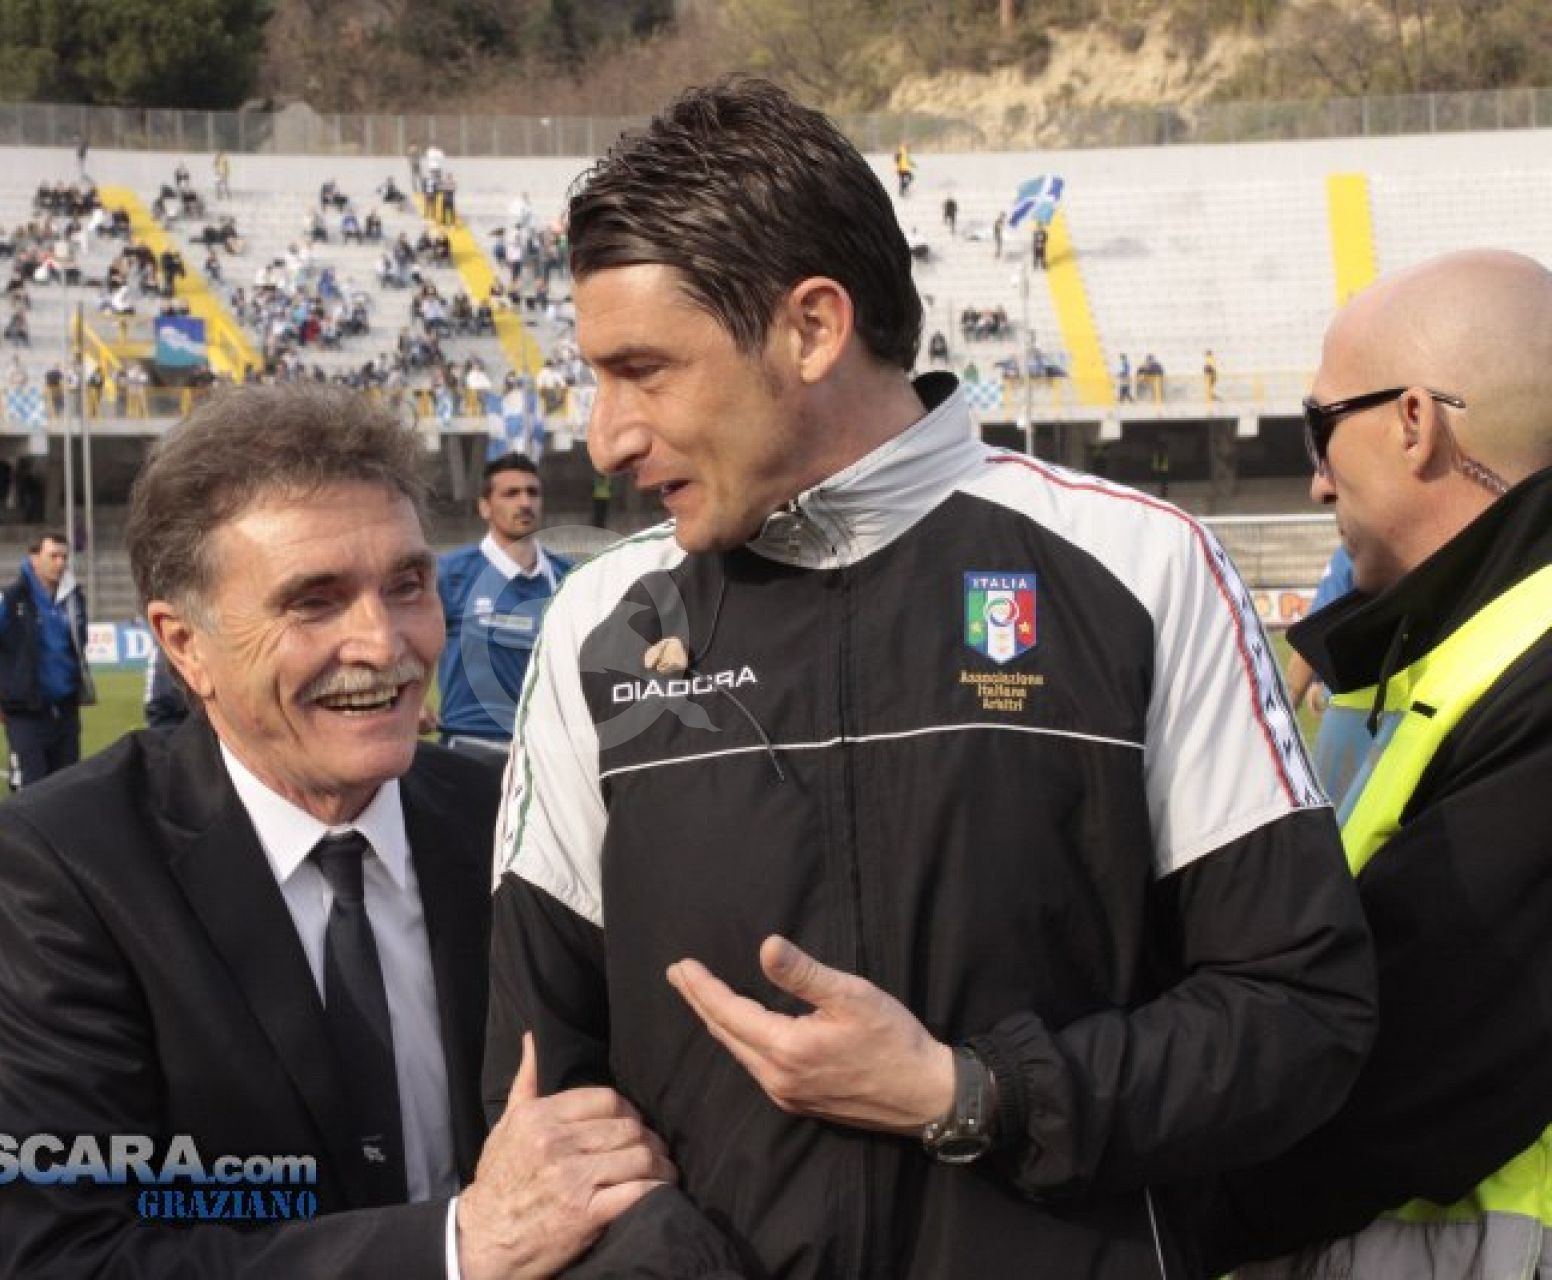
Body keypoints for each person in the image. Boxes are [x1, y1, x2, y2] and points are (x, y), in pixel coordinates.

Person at [484, 77, 1376, 1277]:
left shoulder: (1142, 565)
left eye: (644, 370)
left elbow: (1299, 1014)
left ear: (812, 328)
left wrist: (977, 1094)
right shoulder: (600, 626)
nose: (605, 437)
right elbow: (538, 1104)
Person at [0, 384, 676, 1277]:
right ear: (185, 645)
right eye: (314, 602)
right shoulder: (59, 872)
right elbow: (74, 1257)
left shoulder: (507, 815)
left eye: (407, 585)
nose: (384, 642)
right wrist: (455, 1248)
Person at [1197, 249, 1552, 1279]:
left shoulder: (1531, 675)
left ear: (1413, 423)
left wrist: (1145, 1217)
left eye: (1320, 428)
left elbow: (1395, 1072)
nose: (1315, 479)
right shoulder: (1450, 639)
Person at [432, 454, 570, 760]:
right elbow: (407, 638)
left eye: (532, 493)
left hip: (545, 752)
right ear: (485, 507)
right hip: (470, 744)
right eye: (511, 494)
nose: (525, 503)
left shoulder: (567, 577)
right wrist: (413, 703)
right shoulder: (452, 573)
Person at [0, 532, 92, 790]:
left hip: (66, 711)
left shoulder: (74, 600)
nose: (60, 563)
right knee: (30, 790)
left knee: (67, 789)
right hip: (25, 712)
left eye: (64, 557)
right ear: (34, 558)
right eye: (53, 556)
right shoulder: (8, 600)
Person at [1282, 545, 1352, 715]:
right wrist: (1318, 679)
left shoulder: (1354, 549)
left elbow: (1317, 628)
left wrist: (1283, 714)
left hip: (1362, 703)